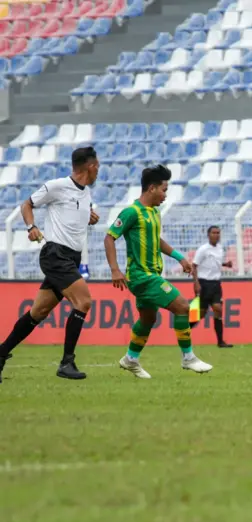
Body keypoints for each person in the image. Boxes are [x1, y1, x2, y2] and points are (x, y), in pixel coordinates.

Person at [0, 146, 100, 382]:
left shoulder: (86, 193)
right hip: (56, 255)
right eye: (98, 166)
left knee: (39, 312)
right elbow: (26, 205)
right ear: (91, 166)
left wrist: (91, 217)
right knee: (83, 301)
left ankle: (1, 352)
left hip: (71, 259)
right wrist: (31, 227)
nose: (98, 171)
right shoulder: (57, 186)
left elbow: (78, 216)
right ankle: (67, 362)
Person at [104, 165, 213, 379]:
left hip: (153, 274)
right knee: (183, 306)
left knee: (147, 319)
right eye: (164, 190)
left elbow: (156, 240)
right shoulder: (131, 212)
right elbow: (109, 237)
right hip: (142, 276)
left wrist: (179, 257)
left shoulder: (154, 212)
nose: (165, 195)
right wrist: (115, 270)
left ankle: (130, 359)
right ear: (152, 188)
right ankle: (188, 357)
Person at [190, 225, 233, 348]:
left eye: (218, 233)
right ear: (208, 235)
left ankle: (220, 341)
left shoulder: (220, 249)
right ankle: (184, 332)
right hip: (204, 283)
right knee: (201, 313)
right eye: (213, 233)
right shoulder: (203, 249)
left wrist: (226, 264)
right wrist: (196, 283)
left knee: (218, 309)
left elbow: (215, 262)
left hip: (216, 283)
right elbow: (194, 266)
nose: (216, 235)